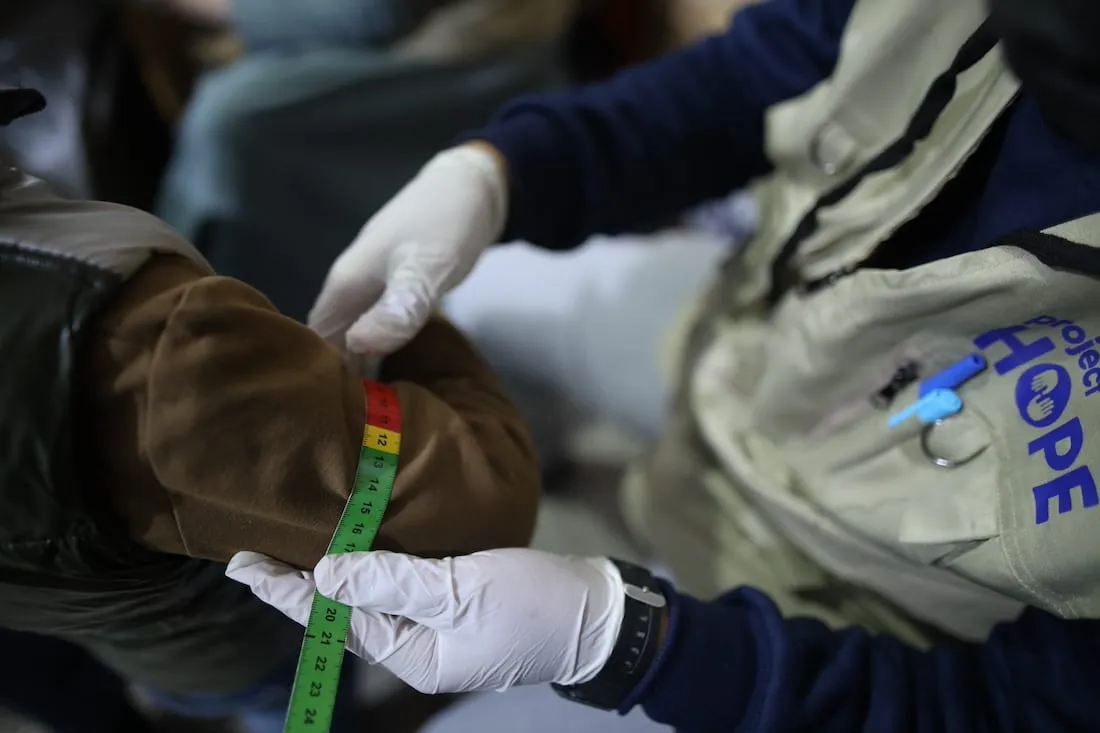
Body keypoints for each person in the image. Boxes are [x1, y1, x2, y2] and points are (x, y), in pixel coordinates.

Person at [229, 0, 1100, 729]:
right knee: (471, 283)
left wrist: (626, 644)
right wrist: (502, 171)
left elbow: (1003, 711)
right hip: (743, 345)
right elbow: (758, 73)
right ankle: (536, 464)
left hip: (853, 631)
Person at [0, 90, 539, 733]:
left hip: (140, 646)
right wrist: (422, 330)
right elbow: (481, 500)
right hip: (249, 645)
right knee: (298, 703)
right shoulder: (141, 350)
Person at [154, 0, 577, 321]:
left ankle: (213, 326)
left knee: (232, 122)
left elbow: (373, 13)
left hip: (470, 57)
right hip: (422, 40)